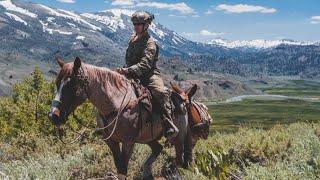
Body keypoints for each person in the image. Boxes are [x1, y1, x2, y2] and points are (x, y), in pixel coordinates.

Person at [116, 11, 179, 138]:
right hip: (132, 73)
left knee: (160, 92)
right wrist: (124, 70)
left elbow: (145, 64)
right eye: (135, 24)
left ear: (146, 25)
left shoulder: (150, 43)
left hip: (148, 75)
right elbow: (129, 60)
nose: (136, 26)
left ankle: (168, 122)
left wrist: (128, 70)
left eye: (139, 24)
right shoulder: (132, 40)